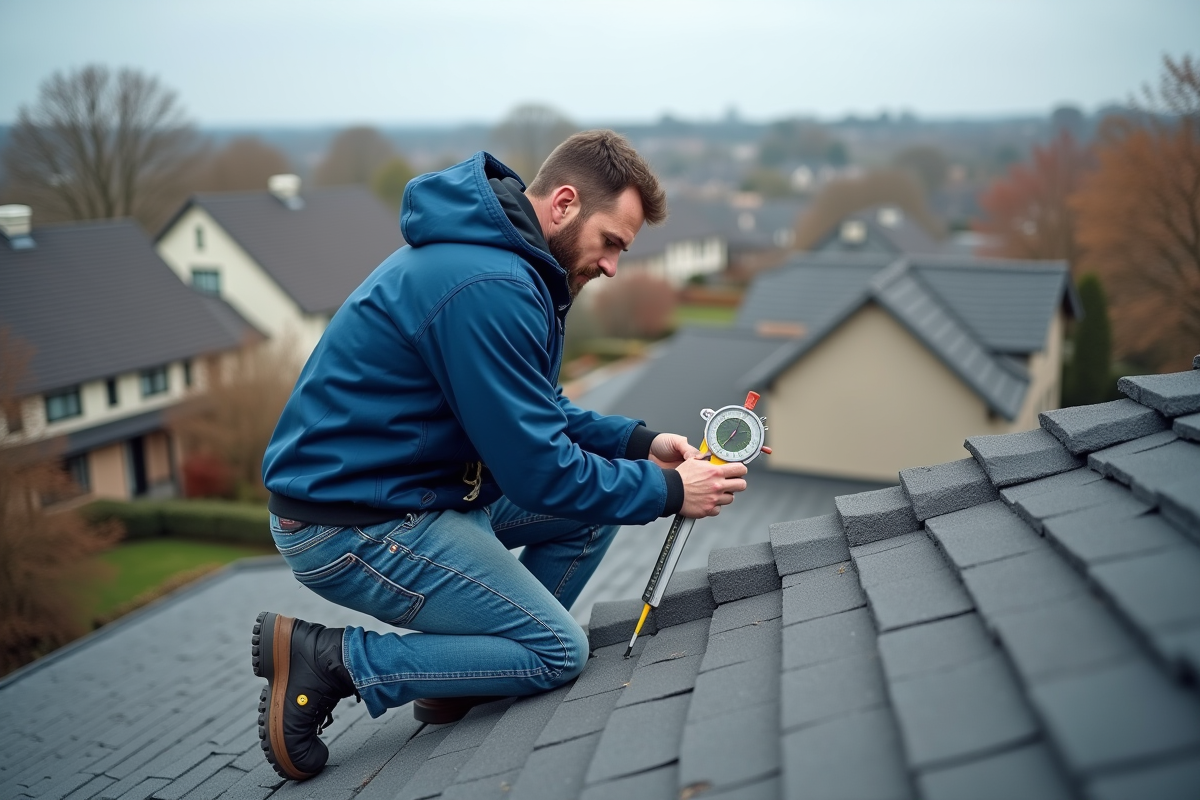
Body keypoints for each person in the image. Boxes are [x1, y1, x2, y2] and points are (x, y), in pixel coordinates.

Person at [252, 130, 749, 781]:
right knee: (554, 653)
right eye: (612, 243)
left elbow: (538, 412)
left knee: (597, 512)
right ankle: (334, 659)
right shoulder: (487, 283)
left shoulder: (508, 266)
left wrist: (640, 443)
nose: (612, 267)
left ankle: (465, 671)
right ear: (565, 202)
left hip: (416, 494)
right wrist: (670, 492)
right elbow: (539, 472)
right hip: (351, 525)